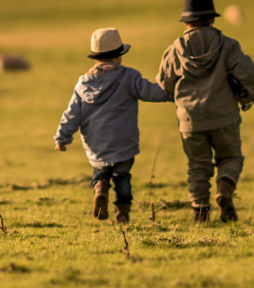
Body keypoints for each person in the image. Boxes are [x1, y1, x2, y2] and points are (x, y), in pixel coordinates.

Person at [157, 0, 254, 223]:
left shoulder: (175, 49)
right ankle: (224, 190)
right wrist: (250, 96)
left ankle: (200, 213)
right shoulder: (228, 45)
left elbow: (164, 83)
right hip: (224, 115)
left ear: (186, 21)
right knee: (231, 157)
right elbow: (249, 75)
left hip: (190, 120)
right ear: (212, 19)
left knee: (197, 166)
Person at [53, 27, 170, 224]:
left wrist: (62, 138)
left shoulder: (83, 83)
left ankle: (100, 188)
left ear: (96, 57)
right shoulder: (130, 77)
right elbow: (152, 93)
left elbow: (72, 113)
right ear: (119, 56)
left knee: (101, 171)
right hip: (124, 141)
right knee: (123, 176)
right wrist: (173, 92)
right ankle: (122, 213)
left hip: (96, 143)